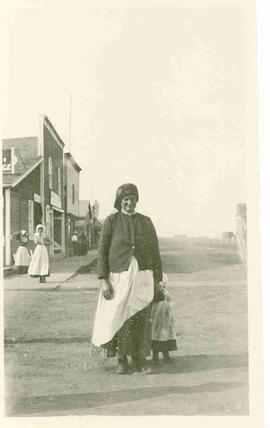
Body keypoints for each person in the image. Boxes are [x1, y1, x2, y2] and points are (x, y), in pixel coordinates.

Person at [91, 183, 164, 374]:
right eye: (125, 200)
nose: (130, 203)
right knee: (120, 316)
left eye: (132, 199)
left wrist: (158, 279)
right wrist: (103, 279)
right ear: (119, 202)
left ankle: (138, 358)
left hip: (143, 276)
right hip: (118, 277)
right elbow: (102, 251)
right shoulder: (111, 221)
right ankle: (122, 359)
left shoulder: (146, 222)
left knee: (140, 316)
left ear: (137, 200)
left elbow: (155, 252)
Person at [151, 273, 177, 364]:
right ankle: (155, 357)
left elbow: (170, 301)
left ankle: (166, 355)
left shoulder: (165, 292)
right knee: (156, 334)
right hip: (156, 315)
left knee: (164, 334)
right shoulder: (153, 292)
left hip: (164, 316)